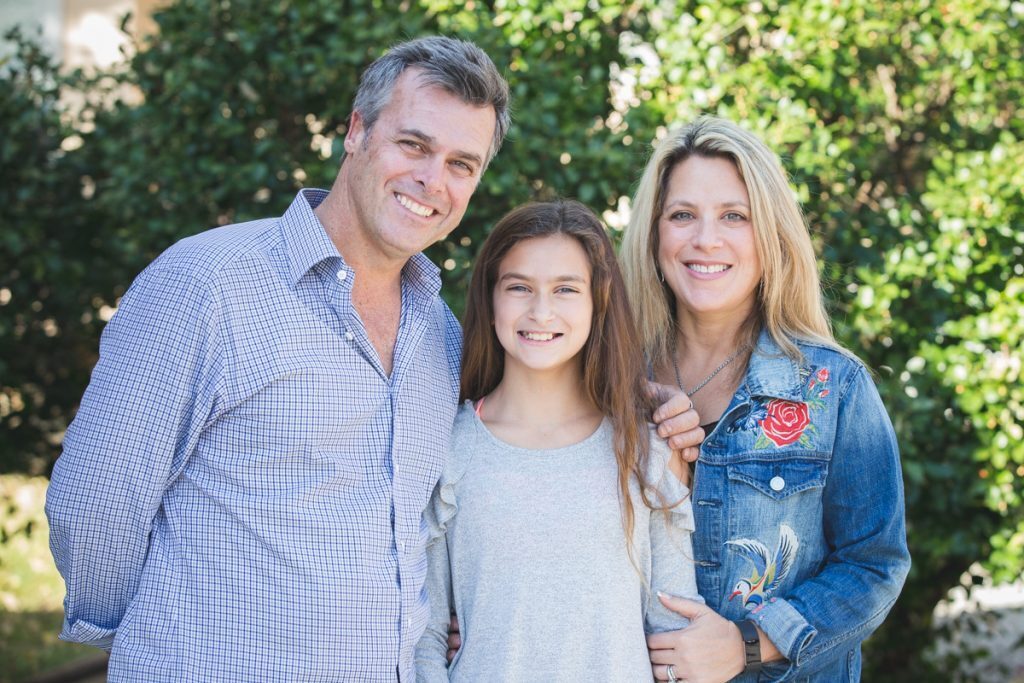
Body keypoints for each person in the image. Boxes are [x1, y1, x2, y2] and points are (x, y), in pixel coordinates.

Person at [45, 37, 700, 681]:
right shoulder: (208, 286)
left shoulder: (441, 337)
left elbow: (526, 438)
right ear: (356, 130)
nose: (431, 180)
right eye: (413, 144)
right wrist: (148, 642)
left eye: (461, 164)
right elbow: (94, 506)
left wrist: (646, 402)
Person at [619, 115, 911, 682]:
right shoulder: (608, 386)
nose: (706, 239)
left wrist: (750, 644)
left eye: (735, 216)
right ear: (654, 235)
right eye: (682, 215)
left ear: (770, 234)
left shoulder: (834, 388)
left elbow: (874, 565)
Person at [414, 200, 702, 681]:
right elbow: (424, 639)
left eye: (565, 289)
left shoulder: (646, 449)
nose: (540, 311)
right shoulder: (447, 447)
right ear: (490, 302)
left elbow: (677, 628)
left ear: (598, 302)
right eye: (519, 287)